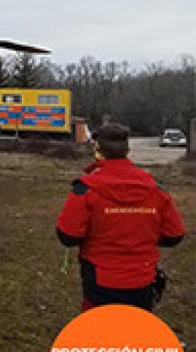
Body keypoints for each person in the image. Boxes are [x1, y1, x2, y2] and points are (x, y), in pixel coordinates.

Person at [56, 123, 186, 311]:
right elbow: (175, 235)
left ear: (98, 150)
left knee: (98, 333)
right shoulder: (155, 189)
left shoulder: (85, 189)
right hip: (142, 280)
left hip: (99, 280)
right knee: (136, 333)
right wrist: (141, 238)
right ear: (128, 150)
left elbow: (67, 235)